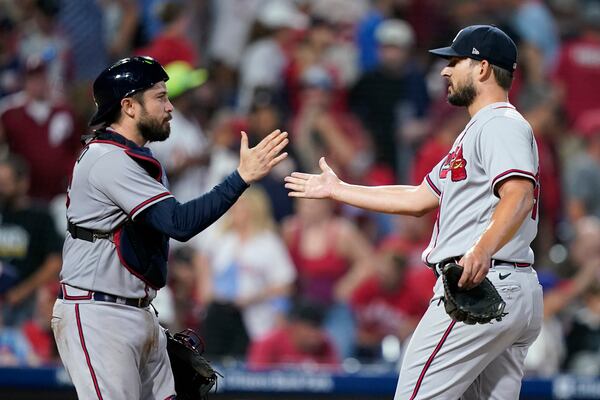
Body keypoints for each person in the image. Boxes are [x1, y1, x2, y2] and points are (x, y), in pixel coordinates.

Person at [285, 25, 543, 399]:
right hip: (507, 284)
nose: (444, 71)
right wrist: (339, 190)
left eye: (455, 61)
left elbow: (519, 194)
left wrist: (483, 248)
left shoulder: (500, 124)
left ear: (483, 68)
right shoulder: (478, 130)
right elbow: (419, 198)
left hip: (481, 284)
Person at [51, 56, 288, 400]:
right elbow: (178, 223)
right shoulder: (107, 159)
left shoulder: (135, 157)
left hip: (138, 311)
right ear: (129, 106)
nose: (170, 106)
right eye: (160, 97)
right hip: (99, 315)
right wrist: (241, 178)